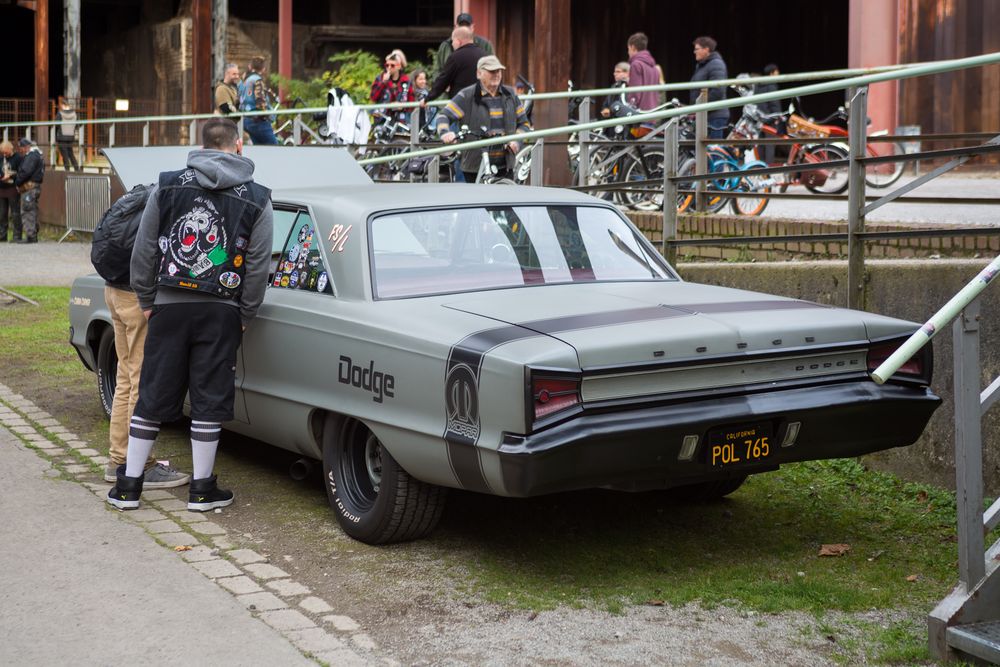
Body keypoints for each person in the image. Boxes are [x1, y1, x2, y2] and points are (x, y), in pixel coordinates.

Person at [107, 117, 273, 512]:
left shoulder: (166, 185)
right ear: (238, 146)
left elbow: (144, 249)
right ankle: (201, 490)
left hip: (167, 304)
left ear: (200, 147)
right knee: (209, 397)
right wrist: (245, 311)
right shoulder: (259, 197)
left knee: (151, 392)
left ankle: (129, 486)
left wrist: (148, 298)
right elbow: (258, 263)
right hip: (222, 310)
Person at [436, 55, 531, 184]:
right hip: (475, 165)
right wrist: (445, 133)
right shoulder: (467, 96)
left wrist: (517, 141)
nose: (496, 74)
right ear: (479, 73)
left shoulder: (510, 95)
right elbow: (444, 116)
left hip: (505, 164)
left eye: (498, 71)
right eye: (491, 71)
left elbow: (524, 124)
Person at [424, 26, 486, 103]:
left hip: (461, 103)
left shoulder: (455, 57)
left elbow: (443, 81)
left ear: (458, 41)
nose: (452, 44)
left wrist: (428, 98)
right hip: (481, 102)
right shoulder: (484, 54)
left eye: (452, 41)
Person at [690, 35, 730, 139]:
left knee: (713, 151)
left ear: (706, 49)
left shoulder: (716, 64)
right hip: (705, 114)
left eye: (697, 49)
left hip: (715, 116)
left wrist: (700, 106)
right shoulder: (702, 65)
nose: (694, 52)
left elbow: (718, 91)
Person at [433, 12, 494, 78]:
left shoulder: (485, 44)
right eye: (461, 26)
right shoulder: (446, 45)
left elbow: (493, 67)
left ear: (472, 27)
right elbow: (437, 70)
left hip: (476, 84)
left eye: (467, 26)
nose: (464, 29)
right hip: (452, 86)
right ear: (456, 27)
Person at [239, 56, 278, 145]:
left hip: (246, 119)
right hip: (258, 120)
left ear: (250, 67)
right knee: (274, 148)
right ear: (263, 69)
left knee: (260, 148)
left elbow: (238, 98)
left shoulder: (243, 81)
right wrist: (267, 116)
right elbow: (260, 101)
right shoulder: (257, 80)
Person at [13, 138, 43, 244]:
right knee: (32, 210)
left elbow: (25, 171)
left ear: (26, 147)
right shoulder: (37, 154)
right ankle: (33, 234)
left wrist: (17, 181)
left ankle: (31, 236)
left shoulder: (31, 156)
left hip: (29, 188)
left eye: (21, 148)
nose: (20, 151)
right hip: (34, 187)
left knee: (27, 210)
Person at [370, 51, 414, 121]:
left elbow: (411, 102)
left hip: (400, 120)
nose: (389, 68)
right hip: (382, 119)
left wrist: (403, 106)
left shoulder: (406, 81)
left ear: (399, 66)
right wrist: (383, 83)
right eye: (387, 65)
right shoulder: (380, 78)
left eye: (392, 65)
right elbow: (373, 97)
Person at [626, 32, 660, 111]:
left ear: (633, 47)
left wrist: (629, 108)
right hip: (653, 112)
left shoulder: (636, 65)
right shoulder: (654, 67)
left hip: (640, 114)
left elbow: (635, 93)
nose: (628, 52)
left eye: (628, 49)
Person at [0, 140, 22, 242]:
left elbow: (22, 172)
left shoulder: (18, 158)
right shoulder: (1, 158)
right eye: (2, 152)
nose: (4, 154)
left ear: (11, 149)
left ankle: (17, 235)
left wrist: (11, 175)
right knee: (2, 213)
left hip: (12, 188)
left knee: (15, 213)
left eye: (6, 152)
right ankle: (2, 235)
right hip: (2, 188)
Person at [56, 101, 81, 172]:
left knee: (65, 155)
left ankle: (67, 170)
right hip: (71, 136)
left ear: (63, 105)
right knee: (71, 153)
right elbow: (77, 125)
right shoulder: (74, 114)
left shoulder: (60, 113)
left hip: (61, 137)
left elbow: (56, 124)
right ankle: (77, 169)